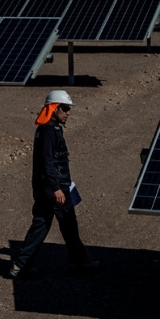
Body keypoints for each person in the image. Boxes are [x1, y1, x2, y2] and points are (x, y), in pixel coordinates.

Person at [9, 90, 100, 279]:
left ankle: (20, 265)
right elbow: (47, 161)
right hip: (55, 188)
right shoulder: (50, 130)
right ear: (55, 108)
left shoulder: (45, 128)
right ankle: (78, 261)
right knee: (67, 223)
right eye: (65, 108)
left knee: (42, 224)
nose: (68, 113)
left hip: (47, 187)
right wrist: (57, 188)